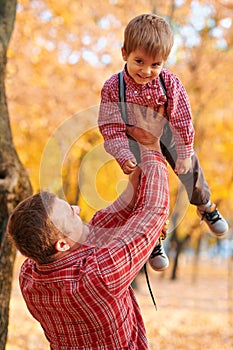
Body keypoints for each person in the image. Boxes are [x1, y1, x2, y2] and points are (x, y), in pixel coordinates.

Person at [7, 106, 170, 350]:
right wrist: (151, 148)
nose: (77, 209)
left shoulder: (31, 277)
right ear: (61, 244)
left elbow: (90, 238)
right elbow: (152, 213)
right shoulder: (98, 278)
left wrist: (131, 192)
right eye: (70, 215)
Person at [98, 13, 228, 271]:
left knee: (189, 165)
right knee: (148, 185)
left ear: (164, 61)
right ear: (124, 53)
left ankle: (204, 205)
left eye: (156, 64)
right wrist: (123, 154)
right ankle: (153, 237)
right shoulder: (114, 87)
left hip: (167, 131)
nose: (146, 71)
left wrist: (183, 152)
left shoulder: (170, 83)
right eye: (139, 61)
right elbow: (110, 126)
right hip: (134, 139)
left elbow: (181, 120)